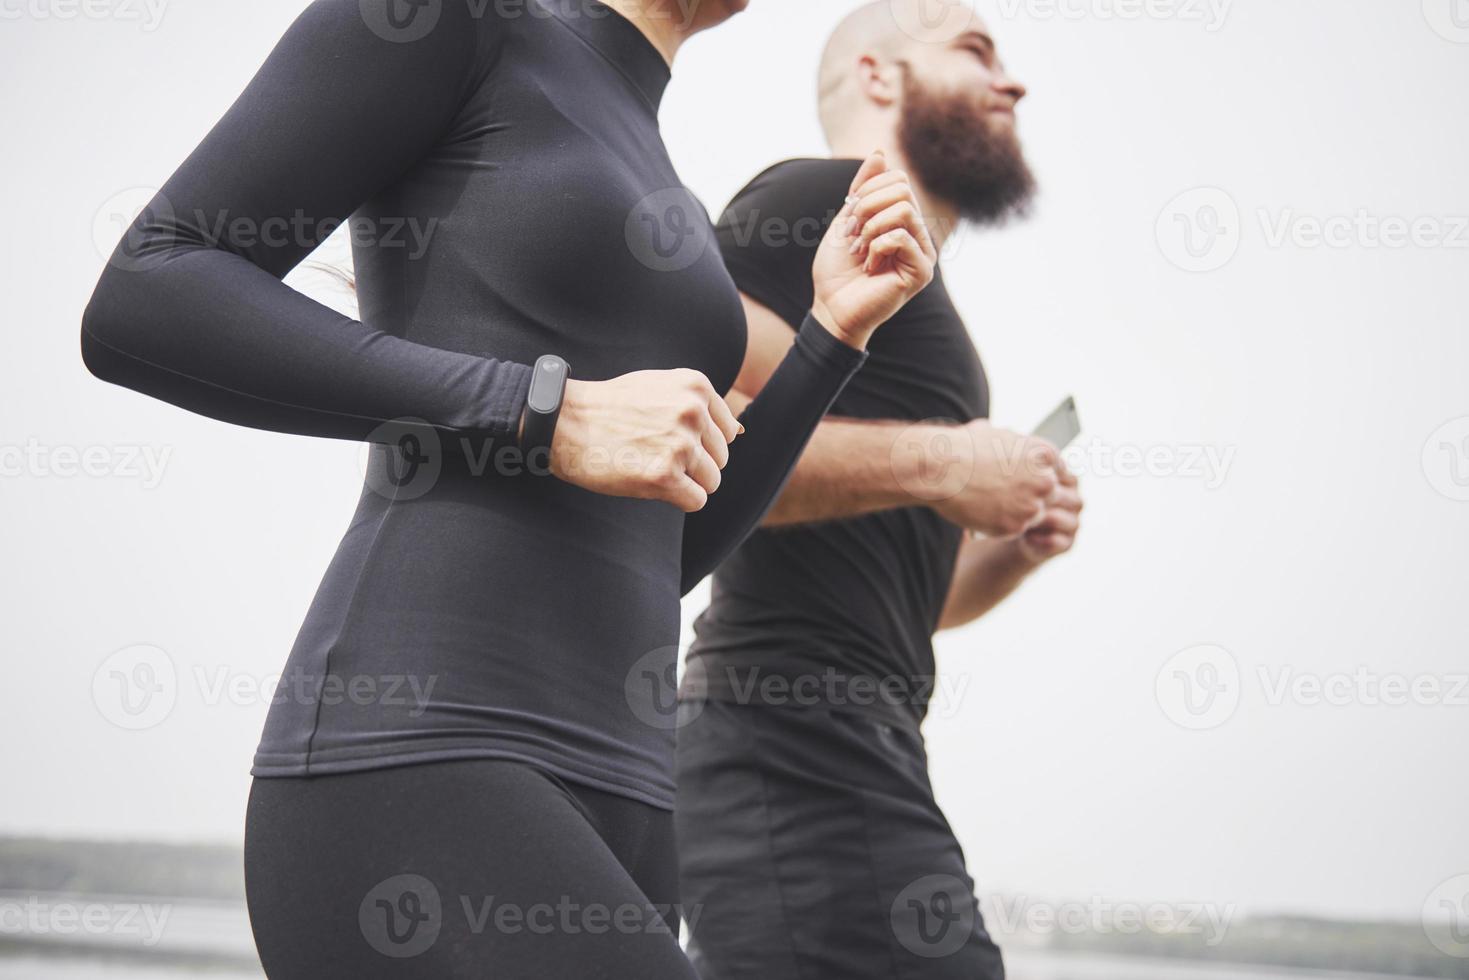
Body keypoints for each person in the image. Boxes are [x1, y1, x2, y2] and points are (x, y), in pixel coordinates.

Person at [79, 1, 940, 976]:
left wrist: (831, 335)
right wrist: (539, 409)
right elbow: (147, 286)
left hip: (626, 795)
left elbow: (668, 552)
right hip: (421, 758)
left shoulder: (657, 169)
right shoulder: (450, 24)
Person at [676, 3, 1083, 977]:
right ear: (876, 74)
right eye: (975, 52)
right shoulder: (817, 198)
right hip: (786, 730)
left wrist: (1010, 550)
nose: (1012, 82)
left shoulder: (919, 297)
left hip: (860, 730)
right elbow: (701, 448)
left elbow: (912, 598)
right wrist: (948, 463)